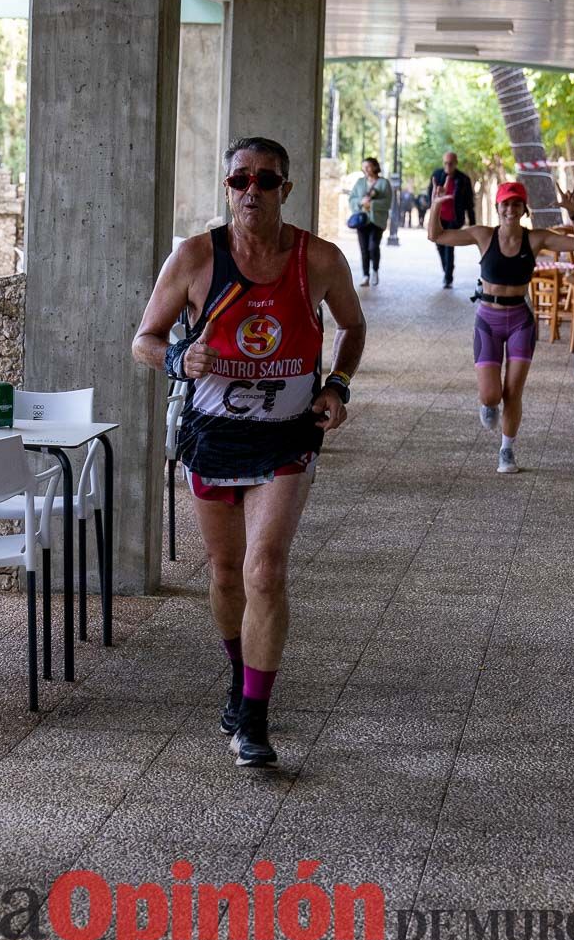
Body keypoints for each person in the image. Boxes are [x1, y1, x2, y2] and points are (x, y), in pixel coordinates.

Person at [133, 136, 366, 767]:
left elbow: (352, 325)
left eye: (266, 179)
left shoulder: (318, 259)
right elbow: (144, 342)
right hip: (212, 434)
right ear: (228, 186)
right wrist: (181, 357)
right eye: (241, 179)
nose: (253, 190)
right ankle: (239, 676)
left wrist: (337, 384)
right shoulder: (193, 258)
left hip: (287, 435)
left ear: (286, 189)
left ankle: (255, 723)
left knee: (266, 567)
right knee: (226, 572)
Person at [428, 178, 574, 474]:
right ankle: (488, 404)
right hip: (487, 321)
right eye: (506, 203)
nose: (511, 209)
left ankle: (507, 450)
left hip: (520, 321)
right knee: (491, 394)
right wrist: (436, 206)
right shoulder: (483, 235)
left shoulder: (536, 238)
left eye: (517, 203)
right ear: (498, 206)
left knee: (513, 392)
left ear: (524, 208)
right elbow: (436, 235)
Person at [427, 151, 476, 288]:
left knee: (449, 246)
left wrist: (472, 223)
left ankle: (448, 277)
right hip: (439, 218)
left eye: (451, 163)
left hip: (454, 218)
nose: (448, 165)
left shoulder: (464, 179)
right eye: (446, 163)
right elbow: (429, 195)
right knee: (439, 245)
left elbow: (469, 202)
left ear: (456, 163)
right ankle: (446, 271)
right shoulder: (437, 176)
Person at [348, 157, 392, 287]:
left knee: (373, 247)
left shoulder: (384, 183)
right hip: (361, 220)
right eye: (363, 167)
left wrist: (372, 204)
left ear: (374, 167)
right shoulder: (359, 182)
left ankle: (375, 271)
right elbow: (352, 199)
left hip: (376, 221)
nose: (365, 169)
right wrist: (360, 202)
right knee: (363, 249)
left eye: (368, 166)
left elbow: (387, 203)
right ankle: (365, 276)